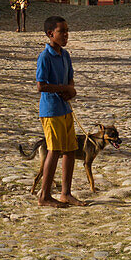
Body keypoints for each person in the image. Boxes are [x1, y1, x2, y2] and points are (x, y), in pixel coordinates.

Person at [35, 15, 87, 208]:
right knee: (54, 151)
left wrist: (70, 90)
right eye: (61, 32)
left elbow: (70, 79)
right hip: (51, 110)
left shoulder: (65, 55)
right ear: (50, 34)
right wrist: (63, 89)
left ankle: (66, 193)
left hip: (65, 109)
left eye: (67, 31)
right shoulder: (45, 57)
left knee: (70, 150)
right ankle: (44, 196)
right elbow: (41, 86)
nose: (66, 35)